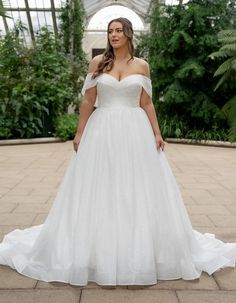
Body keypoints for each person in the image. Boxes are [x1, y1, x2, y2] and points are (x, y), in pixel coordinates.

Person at [0, 17, 235, 287]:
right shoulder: (97, 63)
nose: (113, 35)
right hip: (103, 131)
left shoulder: (142, 65)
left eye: (118, 30)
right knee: (101, 186)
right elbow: (88, 100)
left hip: (136, 133)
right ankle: (98, 247)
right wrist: (79, 133)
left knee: (136, 188)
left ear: (129, 34)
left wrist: (157, 133)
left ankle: (139, 248)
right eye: (110, 31)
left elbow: (146, 103)